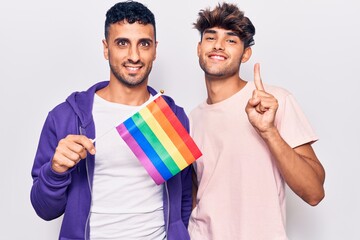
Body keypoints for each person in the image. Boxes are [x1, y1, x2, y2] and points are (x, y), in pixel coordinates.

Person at [30, 1, 192, 239]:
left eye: (144, 44)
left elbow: (183, 197)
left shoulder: (171, 116)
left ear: (155, 49)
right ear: (106, 49)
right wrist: (56, 171)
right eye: (122, 43)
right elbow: (44, 209)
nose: (134, 56)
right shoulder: (65, 117)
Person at [188, 2, 326, 240]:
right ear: (199, 48)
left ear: (246, 54)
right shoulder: (190, 120)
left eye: (231, 40)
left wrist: (269, 131)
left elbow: (314, 192)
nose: (218, 45)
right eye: (211, 38)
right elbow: (194, 195)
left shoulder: (273, 101)